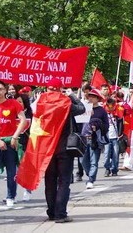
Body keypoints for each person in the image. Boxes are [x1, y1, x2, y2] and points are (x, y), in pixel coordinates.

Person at [44, 78, 85, 223]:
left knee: (50, 182)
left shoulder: (42, 102)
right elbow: (82, 108)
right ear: (60, 89)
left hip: (47, 148)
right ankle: (60, 214)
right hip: (64, 148)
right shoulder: (66, 102)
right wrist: (72, 95)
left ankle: (51, 212)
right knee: (63, 181)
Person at [0, 81, 28, 209]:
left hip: (11, 142)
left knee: (11, 171)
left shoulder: (13, 104)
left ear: (5, 91)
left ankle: (11, 196)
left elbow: (23, 120)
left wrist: (15, 137)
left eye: (0, 89)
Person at [81, 89, 108, 189]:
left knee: (94, 161)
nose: (90, 98)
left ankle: (91, 179)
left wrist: (97, 127)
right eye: (89, 96)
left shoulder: (102, 111)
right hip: (83, 138)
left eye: (93, 97)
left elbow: (106, 125)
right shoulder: (83, 108)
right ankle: (90, 174)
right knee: (82, 161)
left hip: (95, 139)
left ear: (97, 98)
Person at [103, 97, 124, 177]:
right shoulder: (104, 112)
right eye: (109, 106)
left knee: (115, 154)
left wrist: (120, 133)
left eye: (112, 106)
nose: (111, 107)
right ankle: (107, 169)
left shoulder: (118, 111)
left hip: (115, 136)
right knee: (106, 154)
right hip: (107, 136)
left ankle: (114, 169)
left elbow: (121, 123)